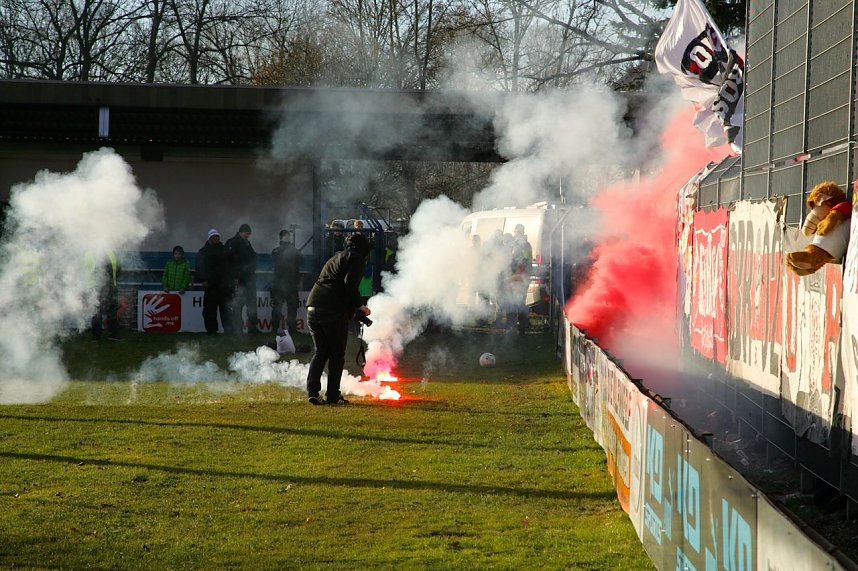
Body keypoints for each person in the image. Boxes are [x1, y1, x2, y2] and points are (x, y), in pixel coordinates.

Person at [305, 232, 371, 406]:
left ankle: (313, 392)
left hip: (313, 307)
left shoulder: (335, 258)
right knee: (336, 355)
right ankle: (333, 396)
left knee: (320, 352)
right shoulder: (356, 258)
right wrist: (360, 306)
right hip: (332, 310)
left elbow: (336, 284)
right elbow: (350, 286)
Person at [196, 228, 232, 334]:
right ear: (209, 238)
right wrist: (203, 279)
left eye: (217, 236)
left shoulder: (224, 250)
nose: (216, 238)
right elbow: (199, 267)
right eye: (213, 236)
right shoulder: (203, 252)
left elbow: (229, 266)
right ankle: (211, 330)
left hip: (223, 286)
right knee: (209, 310)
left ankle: (228, 330)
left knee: (226, 310)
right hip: (210, 285)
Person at [226, 223, 258, 333]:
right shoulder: (232, 243)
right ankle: (237, 328)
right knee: (238, 304)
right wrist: (235, 276)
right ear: (241, 232)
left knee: (251, 304)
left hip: (248, 278)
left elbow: (253, 257)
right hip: (239, 279)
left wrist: (252, 269)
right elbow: (229, 262)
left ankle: (252, 327)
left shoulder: (247, 243)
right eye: (246, 233)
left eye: (249, 234)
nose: (247, 236)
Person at [271, 229, 301, 335]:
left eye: (288, 236)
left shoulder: (292, 250)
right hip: (280, 284)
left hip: (291, 283)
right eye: (285, 236)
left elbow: (300, 261)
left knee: (292, 307)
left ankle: (292, 328)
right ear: (281, 238)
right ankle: (274, 328)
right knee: (277, 307)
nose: (287, 238)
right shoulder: (277, 250)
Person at [90, 251, 122, 341]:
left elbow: (118, 269)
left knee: (111, 310)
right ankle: (97, 336)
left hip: (110, 287)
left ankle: (112, 334)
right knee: (97, 311)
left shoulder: (112, 253)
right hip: (98, 287)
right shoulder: (94, 252)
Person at [508, 224, 533, 332]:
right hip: (513, 276)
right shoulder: (512, 244)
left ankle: (522, 324)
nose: (518, 233)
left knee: (521, 300)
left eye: (520, 231)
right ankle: (513, 324)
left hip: (521, 277)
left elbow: (527, 260)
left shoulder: (526, 245)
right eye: (517, 231)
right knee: (511, 300)